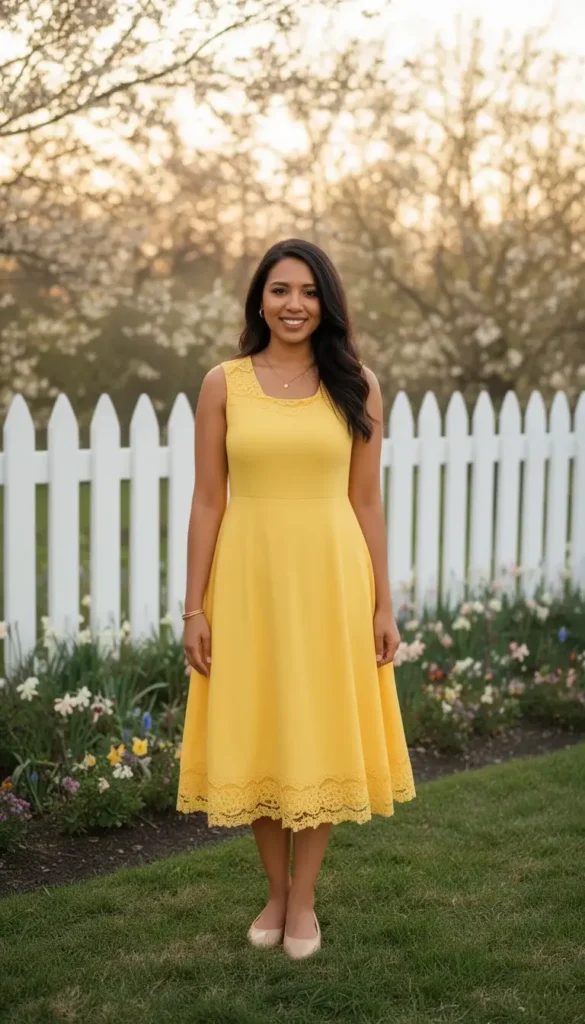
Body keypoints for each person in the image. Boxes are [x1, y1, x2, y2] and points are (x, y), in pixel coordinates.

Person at [176, 238, 416, 960]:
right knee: (259, 726)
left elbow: (366, 502)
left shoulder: (357, 383)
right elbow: (208, 500)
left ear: (327, 303)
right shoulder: (224, 383)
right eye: (280, 290)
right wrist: (193, 607)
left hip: (330, 580)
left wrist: (382, 603)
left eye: (309, 292)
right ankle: (273, 895)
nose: (294, 304)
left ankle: (303, 900)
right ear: (259, 299)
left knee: (315, 727)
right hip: (246, 580)